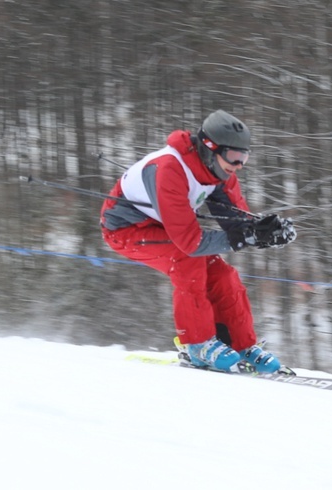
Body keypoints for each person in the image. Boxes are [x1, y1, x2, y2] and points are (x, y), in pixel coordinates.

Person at [100, 110, 296, 373]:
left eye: (244, 157)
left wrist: (263, 232)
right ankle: (197, 344)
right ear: (210, 148)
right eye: (234, 157)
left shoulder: (221, 173)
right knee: (187, 261)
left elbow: (237, 224)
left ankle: (242, 344)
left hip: (166, 227)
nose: (238, 165)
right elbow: (190, 244)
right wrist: (246, 237)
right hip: (127, 230)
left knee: (223, 275)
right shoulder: (170, 169)